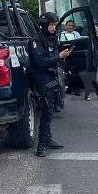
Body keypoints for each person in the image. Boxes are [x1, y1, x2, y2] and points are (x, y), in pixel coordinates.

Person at [29, 12, 73, 157]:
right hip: (41, 76)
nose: (54, 27)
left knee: (51, 109)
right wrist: (59, 56)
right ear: (44, 25)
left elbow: (53, 57)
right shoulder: (36, 41)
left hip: (51, 75)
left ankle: (47, 138)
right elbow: (39, 62)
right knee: (46, 108)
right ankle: (41, 145)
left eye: (55, 24)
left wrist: (63, 55)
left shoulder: (52, 38)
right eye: (51, 24)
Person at [83, 25, 98, 101]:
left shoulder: (95, 40)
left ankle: (89, 95)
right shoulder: (96, 40)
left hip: (96, 62)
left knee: (93, 79)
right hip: (94, 62)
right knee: (94, 79)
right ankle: (97, 95)